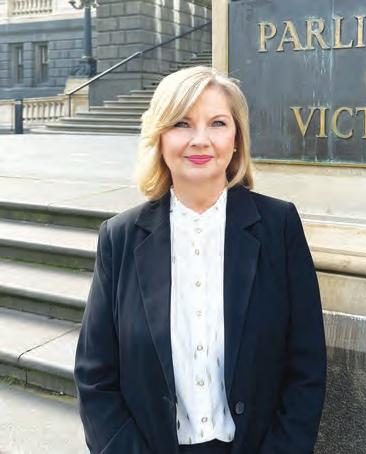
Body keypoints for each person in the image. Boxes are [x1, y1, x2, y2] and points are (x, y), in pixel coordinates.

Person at [74, 65, 327, 454]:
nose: (200, 140)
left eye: (217, 123)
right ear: (159, 138)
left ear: (236, 139)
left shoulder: (278, 226)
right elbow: (95, 377)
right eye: (182, 124)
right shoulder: (119, 237)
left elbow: (306, 366)